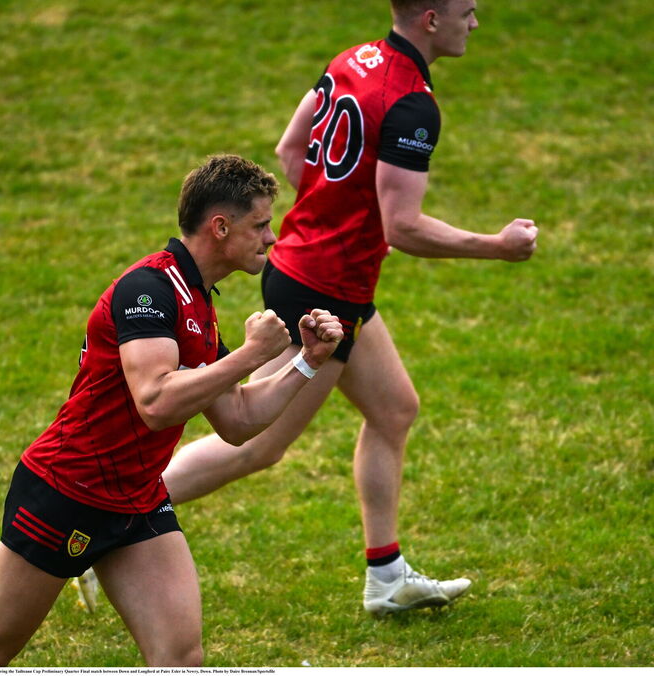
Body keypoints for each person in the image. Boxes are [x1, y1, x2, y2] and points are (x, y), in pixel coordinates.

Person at [162, 0, 538, 616]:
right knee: (257, 444)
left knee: (394, 409)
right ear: (430, 20)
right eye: (467, 11)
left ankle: (386, 575)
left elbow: (290, 150)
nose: (476, 23)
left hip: (309, 269)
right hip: (326, 290)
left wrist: (328, 216)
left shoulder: (351, 60)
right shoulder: (413, 104)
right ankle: (111, 517)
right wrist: (497, 246)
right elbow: (404, 227)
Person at [0, 154, 344, 667]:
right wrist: (251, 354)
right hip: (66, 493)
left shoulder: (199, 302)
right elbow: (156, 403)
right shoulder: (150, 291)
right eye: (261, 224)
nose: (271, 238)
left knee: (180, 657)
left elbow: (238, 420)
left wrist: (308, 363)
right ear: (220, 226)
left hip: (136, 499)